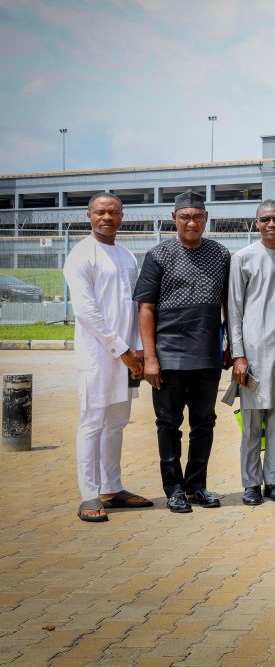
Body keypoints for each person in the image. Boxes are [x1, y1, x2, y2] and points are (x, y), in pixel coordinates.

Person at [135, 190, 231, 514]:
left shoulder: (220, 254)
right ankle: (174, 489)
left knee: (204, 423)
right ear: (174, 218)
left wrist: (231, 344)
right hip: (169, 356)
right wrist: (150, 358)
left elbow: (228, 303)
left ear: (206, 218)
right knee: (168, 424)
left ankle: (196, 486)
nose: (192, 222)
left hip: (207, 354)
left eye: (198, 216)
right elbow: (146, 308)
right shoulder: (158, 255)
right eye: (185, 217)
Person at [64, 192, 152, 523]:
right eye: (100, 212)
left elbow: (133, 305)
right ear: (89, 216)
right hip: (98, 355)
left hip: (126, 354)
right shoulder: (81, 255)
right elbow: (87, 312)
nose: (107, 217)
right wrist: (122, 349)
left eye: (113, 212)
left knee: (116, 422)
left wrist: (136, 347)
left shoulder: (126, 255)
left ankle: (111, 488)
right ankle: (89, 493)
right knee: (92, 422)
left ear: (121, 217)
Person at [227, 200, 275, 506]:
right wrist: (238, 355)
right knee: (252, 423)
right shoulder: (242, 258)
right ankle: (251, 483)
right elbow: (234, 310)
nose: (272, 224)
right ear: (256, 223)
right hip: (253, 354)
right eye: (265, 219)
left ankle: (274, 481)